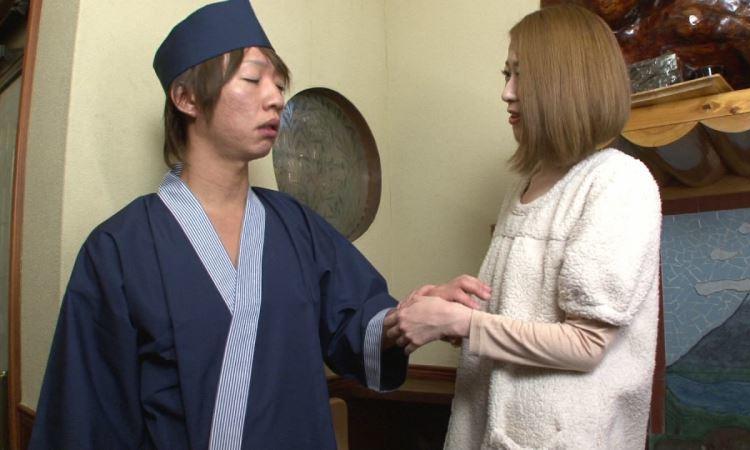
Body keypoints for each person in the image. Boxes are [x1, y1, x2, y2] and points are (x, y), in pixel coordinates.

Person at [28, 2, 488, 449]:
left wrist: (401, 320)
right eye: (252, 79)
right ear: (186, 98)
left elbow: (353, 321)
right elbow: (88, 417)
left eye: (279, 84)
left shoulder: (296, 226)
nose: (276, 98)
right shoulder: (118, 249)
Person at [389, 5, 662, 449]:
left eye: (521, 75)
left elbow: (586, 345)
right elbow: (525, 320)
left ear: (566, 83)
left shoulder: (619, 182)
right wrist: (453, 317)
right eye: (506, 74)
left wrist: (463, 322)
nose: (506, 93)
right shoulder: (524, 186)